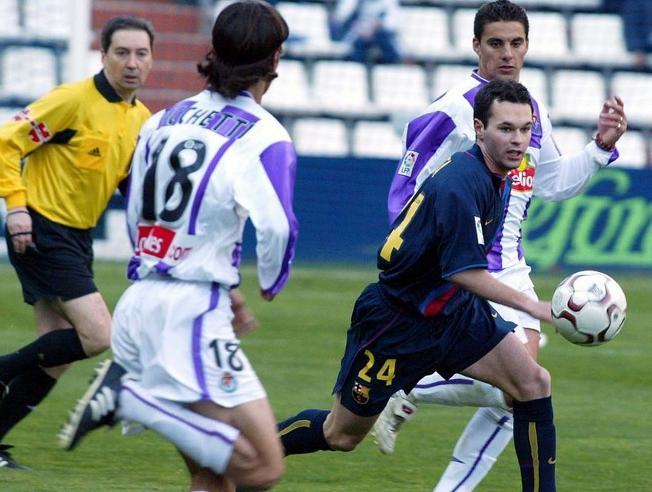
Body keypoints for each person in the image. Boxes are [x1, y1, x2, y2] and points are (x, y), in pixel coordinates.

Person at [374, 1, 627, 490]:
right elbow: (407, 175)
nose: (507, 54)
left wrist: (599, 149)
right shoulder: (455, 107)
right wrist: (408, 248)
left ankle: (407, 390)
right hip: (463, 264)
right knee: (524, 387)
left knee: (522, 391)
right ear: (476, 46)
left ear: (527, 46)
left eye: (516, 43)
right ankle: (401, 384)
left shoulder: (529, 110)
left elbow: (551, 183)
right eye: (496, 43)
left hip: (511, 266)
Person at [58, 1, 298, 490]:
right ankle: (130, 398)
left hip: (143, 297)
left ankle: (133, 394)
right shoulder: (266, 135)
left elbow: (136, 208)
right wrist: (272, 281)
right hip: (188, 312)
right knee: (263, 467)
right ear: (275, 60)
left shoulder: (160, 120)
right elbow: (278, 227)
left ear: (212, 51)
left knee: (214, 477)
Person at [277, 80, 557, 492]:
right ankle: (250, 454)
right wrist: (533, 308)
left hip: (455, 314)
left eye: (524, 129)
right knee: (341, 434)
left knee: (533, 383)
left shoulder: (497, 175)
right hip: (398, 323)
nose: (518, 140)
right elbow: (464, 272)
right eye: (505, 129)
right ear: (479, 128)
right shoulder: (463, 183)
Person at [0, 15, 154, 469]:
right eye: (121, 53)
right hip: (42, 229)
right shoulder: (71, 101)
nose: (131, 63)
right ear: (102, 55)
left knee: (55, 355)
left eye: (140, 54)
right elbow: (7, 143)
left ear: (151, 60)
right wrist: (16, 207)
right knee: (97, 335)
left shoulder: (141, 118)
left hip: (77, 238)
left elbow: (127, 182)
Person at [329, 0, 402, 64]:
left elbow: (393, 22)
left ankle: (389, 67)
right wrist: (358, 26)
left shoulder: (390, 2)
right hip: (355, 35)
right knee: (357, 48)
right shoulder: (352, 2)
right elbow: (340, 18)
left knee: (386, 43)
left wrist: (377, 26)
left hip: (379, 35)